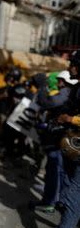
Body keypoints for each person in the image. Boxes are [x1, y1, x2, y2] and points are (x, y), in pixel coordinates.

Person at [30, 71, 77, 213]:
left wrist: (43, 86)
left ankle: (52, 203)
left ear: (66, 81)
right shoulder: (68, 92)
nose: (58, 82)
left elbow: (49, 102)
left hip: (60, 140)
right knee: (54, 171)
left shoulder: (66, 92)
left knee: (56, 171)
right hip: (57, 139)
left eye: (60, 80)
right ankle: (52, 201)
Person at [55, 50, 80, 228]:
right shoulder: (77, 88)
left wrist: (71, 119)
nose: (69, 66)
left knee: (73, 194)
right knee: (69, 187)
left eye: (72, 64)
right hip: (74, 145)